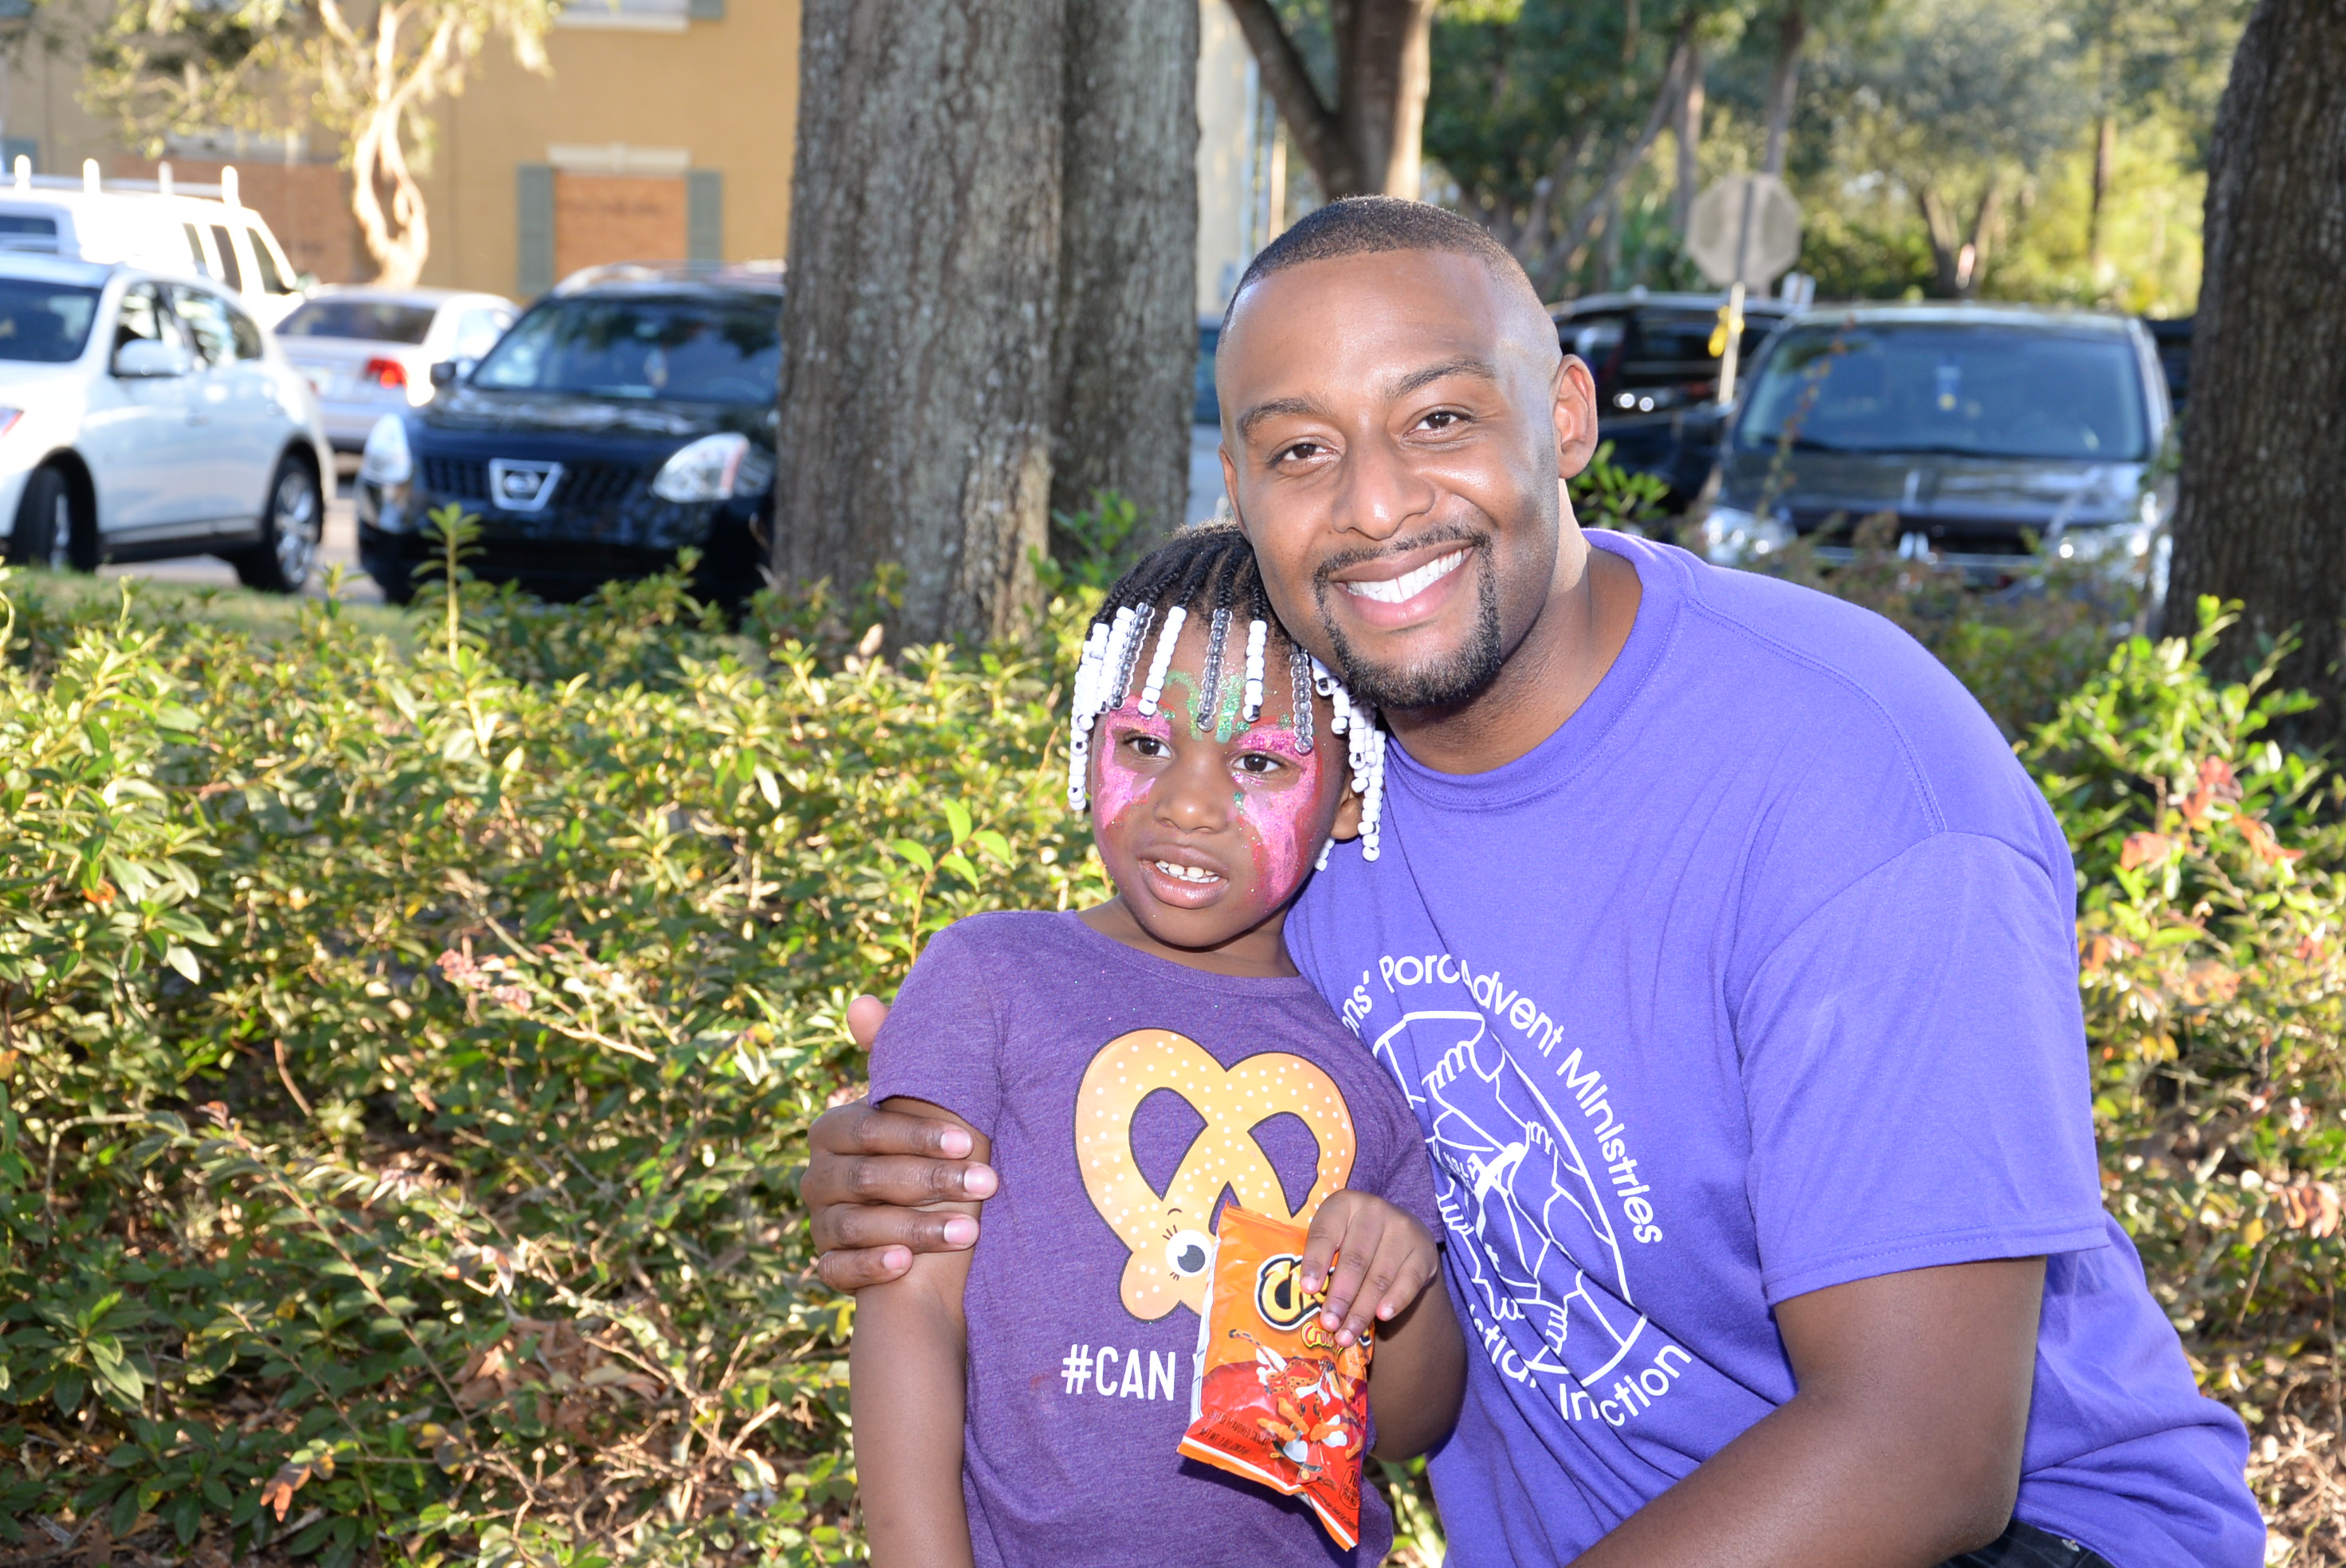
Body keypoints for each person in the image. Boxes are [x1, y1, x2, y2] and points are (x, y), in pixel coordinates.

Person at [810, 198, 2266, 1568]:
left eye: (1439, 419)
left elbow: (1926, 1448)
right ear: (1239, 490)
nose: (1377, 504)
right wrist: (915, 1169)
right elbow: (1124, 1045)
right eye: (1301, 450)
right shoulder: (1306, 793)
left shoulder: (1849, 784)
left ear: (1567, 417)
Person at [849, 524, 1466, 1568]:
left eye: (1259, 761)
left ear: (1351, 793)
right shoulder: (989, 978)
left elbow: (1410, 1428)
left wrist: (1397, 1282)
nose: (1187, 803)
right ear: (1087, 739)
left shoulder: (1381, 1040)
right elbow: (910, 1301)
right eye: (1144, 743)